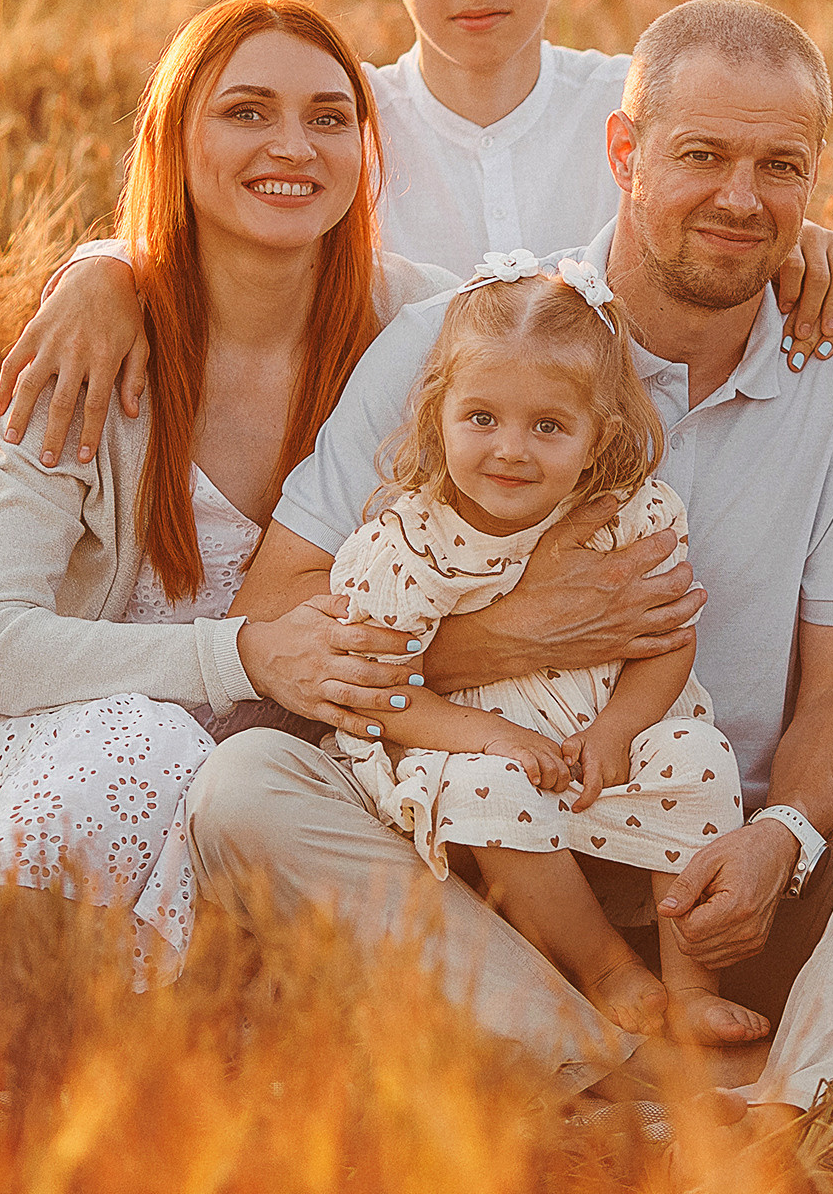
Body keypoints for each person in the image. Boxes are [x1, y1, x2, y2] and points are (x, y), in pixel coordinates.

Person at [184, 0, 833, 1121]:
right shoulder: (470, 342)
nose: (740, 198)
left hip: (727, 872)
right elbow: (279, 608)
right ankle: (630, 1078)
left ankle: (789, 1113)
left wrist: (781, 838)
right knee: (245, 789)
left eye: (779, 167)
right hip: (480, 867)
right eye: (702, 155)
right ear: (622, 151)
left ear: (814, 178)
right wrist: (503, 639)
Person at [0, 0, 446, 990]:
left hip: (242, 769)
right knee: (148, 739)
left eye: (328, 116)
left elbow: (575, 316)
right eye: (246, 111)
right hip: (3, 732)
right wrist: (241, 655)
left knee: (251, 787)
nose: (293, 145)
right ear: (174, 139)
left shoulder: (416, 325)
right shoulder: (91, 351)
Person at [0, 0, 833, 470]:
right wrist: (104, 270)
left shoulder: (635, 109)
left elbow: (727, 197)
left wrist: (809, 244)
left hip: (617, 464)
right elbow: (212, 228)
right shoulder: (340, 130)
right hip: (395, 487)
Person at [322, 255, 766, 1047]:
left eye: (549, 426)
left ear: (600, 439)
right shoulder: (412, 544)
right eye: (481, 418)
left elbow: (669, 638)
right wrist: (494, 736)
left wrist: (618, 729)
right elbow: (381, 692)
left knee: (698, 754)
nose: (511, 450)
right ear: (437, 414)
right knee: (487, 788)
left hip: (604, 748)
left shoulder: (628, 516)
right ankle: (606, 969)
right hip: (479, 759)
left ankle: (692, 983)